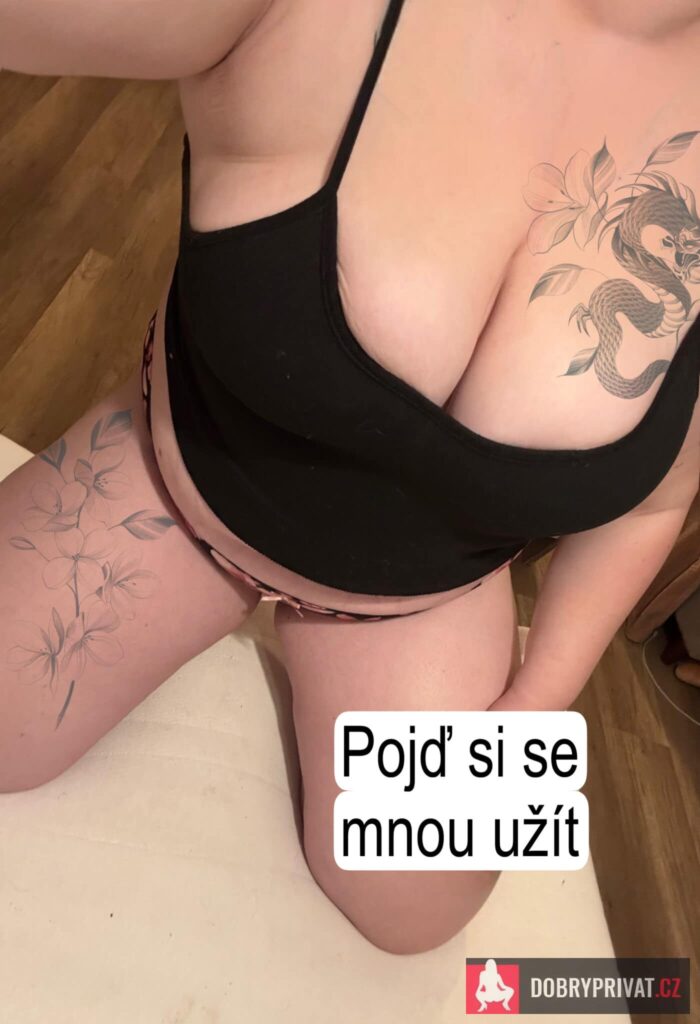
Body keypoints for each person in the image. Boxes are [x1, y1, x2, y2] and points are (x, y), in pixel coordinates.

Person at [1, 0, 699, 956]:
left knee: (418, 915)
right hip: (182, 487)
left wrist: (534, 705)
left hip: (427, 591)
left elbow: (658, 497)